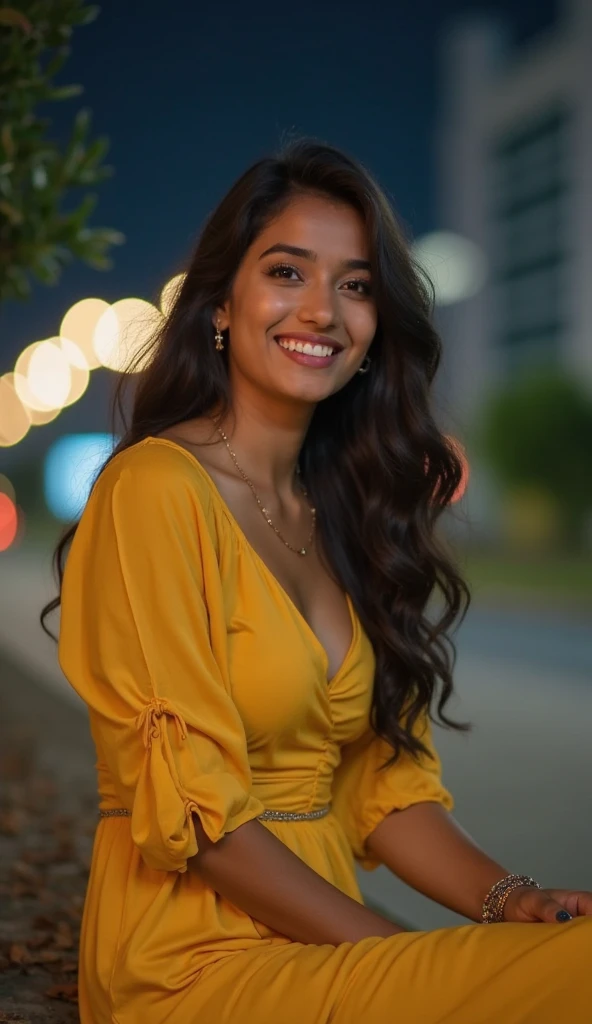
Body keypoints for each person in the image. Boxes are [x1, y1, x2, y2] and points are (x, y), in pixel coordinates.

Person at [41, 138, 590, 1024]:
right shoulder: (155, 491)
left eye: (357, 284)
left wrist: (510, 903)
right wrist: (411, 961)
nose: (323, 310)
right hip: (191, 965)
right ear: (222, 303)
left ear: (377, 328)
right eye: (288, 272)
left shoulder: (344, 512)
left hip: (325, 946)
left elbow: (380, 790)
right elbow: (202, 824)